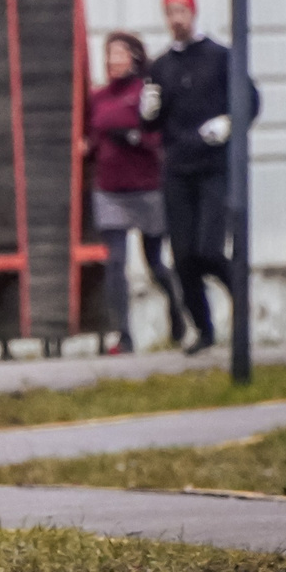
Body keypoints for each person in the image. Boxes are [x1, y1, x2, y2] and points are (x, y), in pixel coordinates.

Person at [141, 0, 259, 354]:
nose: (176, 20)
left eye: (182, 12)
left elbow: (250, 101)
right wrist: (147, 112)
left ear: (193, 13)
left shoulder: (220, 56)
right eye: (170, 13)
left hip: (212, 167)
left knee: (209, 249)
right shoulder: (160, 66)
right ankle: (203, 329)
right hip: (177, 169)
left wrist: (229, 122)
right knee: (183, 257)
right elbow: (152, 125)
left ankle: (239, 292)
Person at [82, 31, 181, 353]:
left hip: (145, 188)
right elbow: (92, 136)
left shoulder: (144, 93)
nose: (113, 61)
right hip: (109, 190)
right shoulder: (98, 97)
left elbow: (157, 136)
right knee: (115, 263)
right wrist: (86, 147)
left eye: (120, 54)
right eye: (109, 54)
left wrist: (135, 138)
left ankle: (178, 308)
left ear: (134, 58)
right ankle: (123, 335)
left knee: (154, 261)